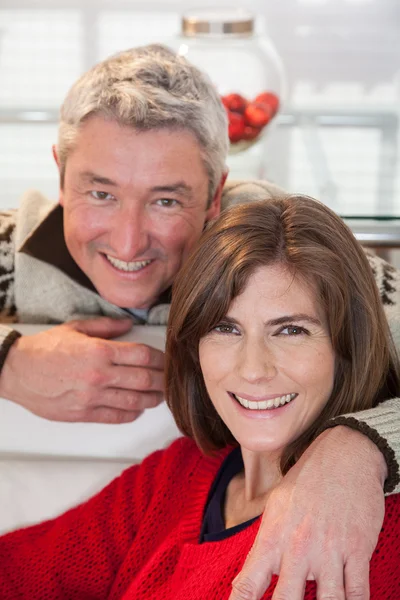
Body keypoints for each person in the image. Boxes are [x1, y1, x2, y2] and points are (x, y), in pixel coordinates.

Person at [0, 42, 399, 599]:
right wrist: (8, 360)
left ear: (215, 195)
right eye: (100, 192)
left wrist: (361, 449)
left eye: (167, 201)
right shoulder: (10, 249)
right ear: (60, 176)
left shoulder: (281, 253)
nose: (128, 240)